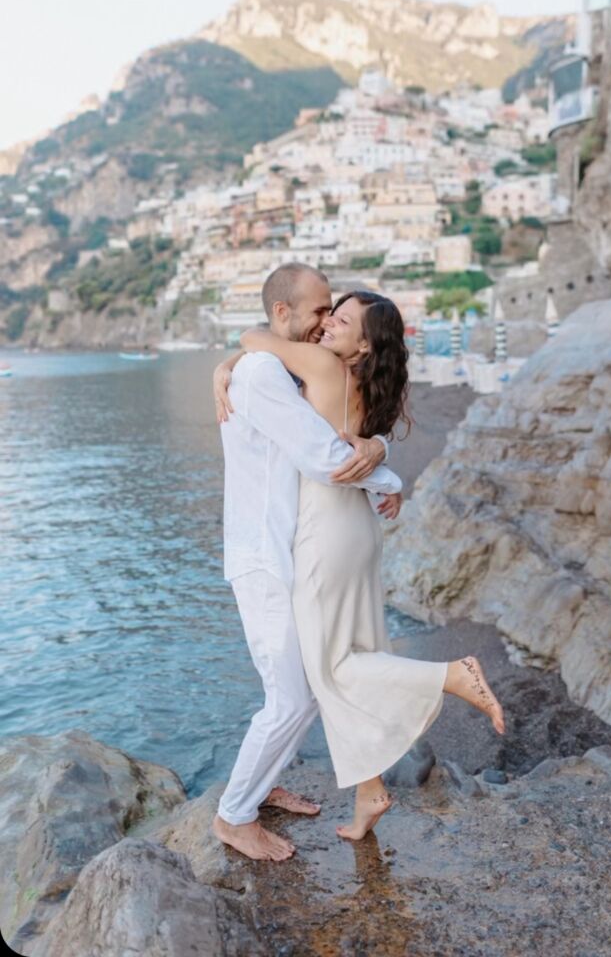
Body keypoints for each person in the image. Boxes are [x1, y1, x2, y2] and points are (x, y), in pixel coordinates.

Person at [226, 284, 505, 843]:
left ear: (362, 346)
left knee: (332, 670)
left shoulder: (324, 369)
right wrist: (380, 454)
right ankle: (369, 790)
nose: (328, 324)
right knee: (358, 653)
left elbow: (255, 336)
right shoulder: (362, 386)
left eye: (342, 319)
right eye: (328, 313)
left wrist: (234, 358)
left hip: (323, 532)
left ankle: (453, 675)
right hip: (357, 528)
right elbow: (356, 441)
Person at [212, 263, 402, 862]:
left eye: (333, 312)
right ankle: (233, 817)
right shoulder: (266, 371)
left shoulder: (271, 365)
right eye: (320, 311)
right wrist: (387, 472)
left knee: (298, 687)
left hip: (286, 549)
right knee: (292, 696)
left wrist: (379, 443)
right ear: (282, 315)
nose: (325, 322)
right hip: (264, 556)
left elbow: (339, 421)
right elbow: (325, 458)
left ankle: (261, 787)